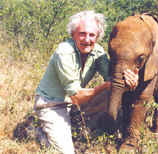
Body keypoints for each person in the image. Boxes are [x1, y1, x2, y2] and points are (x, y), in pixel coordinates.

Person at [34, 10, 139, 154]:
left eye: (92, 35)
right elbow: (77, 96)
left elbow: (113, 80)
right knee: (66, 152)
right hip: (52, 104)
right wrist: (106, 86)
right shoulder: (64, 51)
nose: (87, 39)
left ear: (98, 36)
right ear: (73, 34)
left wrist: (129, 80)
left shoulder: (97, 52)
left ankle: (75, 121)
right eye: (82, 34)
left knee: (114, 90)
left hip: (73, 104)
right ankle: (39, 133)